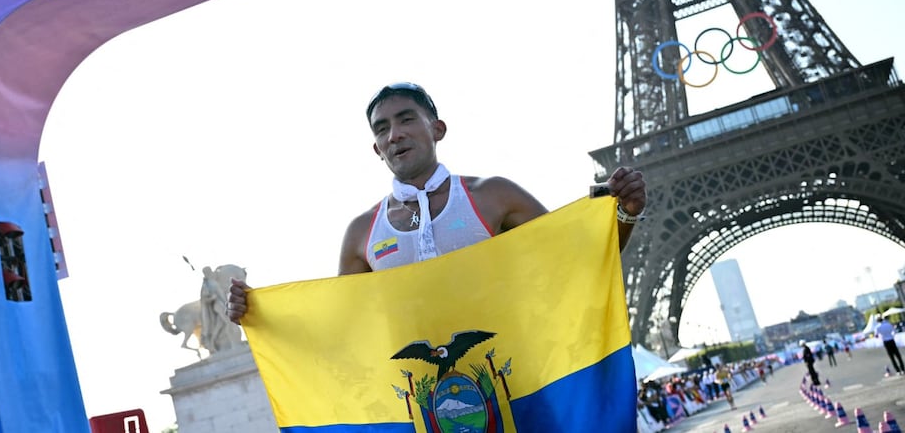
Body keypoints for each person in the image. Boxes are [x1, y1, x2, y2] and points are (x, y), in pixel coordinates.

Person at [227, 81, 648, 322]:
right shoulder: (361, 233)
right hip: (423, 402)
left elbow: (580, 259)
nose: (395, 134)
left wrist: (624, 212)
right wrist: (260, 312)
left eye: (407, 119)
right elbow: (344, 323)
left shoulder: (492, 194)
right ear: (376, 148)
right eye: (382, 129)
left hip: (517, 376)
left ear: (438, 128)